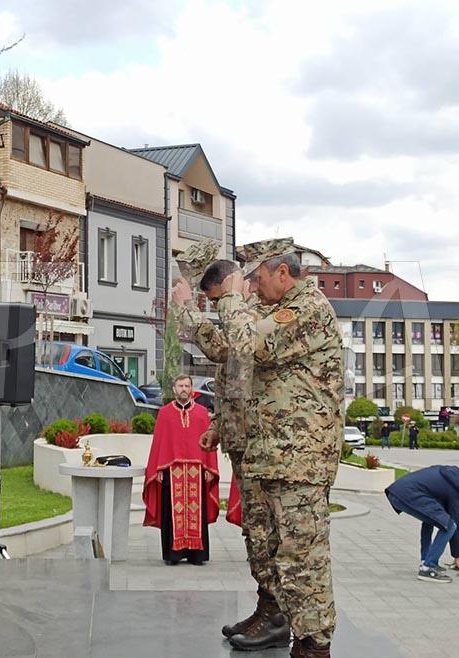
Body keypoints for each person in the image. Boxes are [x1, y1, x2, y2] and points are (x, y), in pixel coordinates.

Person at [205, 238, 343, 657]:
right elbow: (231, 349)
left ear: (284, 273)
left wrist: (230, 298)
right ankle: (290, 628)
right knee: (281, 553)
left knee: (304, 559)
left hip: (301, 458)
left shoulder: (307, 309)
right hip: (276, 453)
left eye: (259, 277)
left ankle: (314, 646)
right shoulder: (279, 309)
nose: (255, 286)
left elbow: (250, 345)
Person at [174, 255, 269, 636]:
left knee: (266, 535)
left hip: (265, 443)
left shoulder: (254, 313)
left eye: (216, 299)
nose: (216, 307)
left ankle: (275, 617)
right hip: (243, 440)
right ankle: (268, 610)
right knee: (256, 533)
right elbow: (228, 368)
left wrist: (198, 308)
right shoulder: (239, 314)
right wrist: (218, 424)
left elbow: (235, 352)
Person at [143, 374, 220, 565]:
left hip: (197, 471)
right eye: (180, 386)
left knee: (197, 511)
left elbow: (209, 442)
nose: (183, 389)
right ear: (174, 389)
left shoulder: (202, 413)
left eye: (187, 385)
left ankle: (197, 555)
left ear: (192, 389)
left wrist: (210, 466)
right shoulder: (165, 413)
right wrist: (158, 469)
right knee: (171, 511)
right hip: (172, 470)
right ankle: (172, 554)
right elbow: (159, 443)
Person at [385, 466, 459, 583]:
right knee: (450, 526)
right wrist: (457, 558)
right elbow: (454, 522)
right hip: (408, 494)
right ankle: (428, 568)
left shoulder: (453, 478)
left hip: (398, 491)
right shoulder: (458, 489)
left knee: (431, 520)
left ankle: (426, 561)